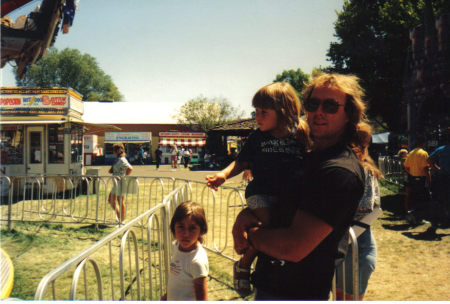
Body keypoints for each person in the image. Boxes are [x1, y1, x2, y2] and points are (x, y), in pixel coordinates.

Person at [232, 73, 367, 300]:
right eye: (313, 104)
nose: (319, 112)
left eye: (331, 106)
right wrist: (247, 214)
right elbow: (283, 205)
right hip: (269, 283)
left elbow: (291, 247)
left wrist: (250, 234)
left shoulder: (339, 171)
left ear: (348, 115)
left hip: (298, 291)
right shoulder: (308, 157)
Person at [206, 82, 310, 297]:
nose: (257, 117)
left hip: (288, 196)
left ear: (283, 111)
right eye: (256, 112)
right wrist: (223, 175)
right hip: (260, 193)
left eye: (264, 112)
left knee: (280, 226)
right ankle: (244, 265)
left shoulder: (300, 132)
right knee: (268, 227)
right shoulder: (257, 137)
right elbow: (242, 162)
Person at [336, 124, 382, 300]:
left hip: (355, 246)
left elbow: (362, 208)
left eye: (362, 144)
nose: (357, 148)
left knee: (347, 298)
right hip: (342, 244)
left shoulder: (365, 171)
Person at [161, 201, 209, 301]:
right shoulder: (176, 246)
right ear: (174, 227)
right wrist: (167, 296)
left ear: (201, 230)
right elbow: (178, 280)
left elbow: (202, 299)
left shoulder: (196, 262)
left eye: (192, 228)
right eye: (181, 227)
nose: (186, 234)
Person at [403, 137, 431, 223]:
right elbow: (426, 169)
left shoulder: (411, 153)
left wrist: (412, 173)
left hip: (413, 179)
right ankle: (419, 218)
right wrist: (429, 181)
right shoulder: (423, 153)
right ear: (423, 143)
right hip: (421, 179)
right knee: (423, 199)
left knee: (414, 198)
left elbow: (406, 167)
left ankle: (413, 216)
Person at [428, 134, 450, 226]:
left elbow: (429, 160)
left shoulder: (440, 149)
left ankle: (439, 218)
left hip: (443, 176)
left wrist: (437, 168)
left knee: (442, 198)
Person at [108, 143, 133, 222]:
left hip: (121, 183)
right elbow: (112, 169)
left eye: (113, 150)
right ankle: (119, 216)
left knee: (120, 201)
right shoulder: (117, 159)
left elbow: (130, 168)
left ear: (116, 151)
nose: (113, 152)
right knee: (110, 200)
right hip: (116, 183)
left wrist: (123, 177)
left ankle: (121, 219)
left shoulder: (122, 159)